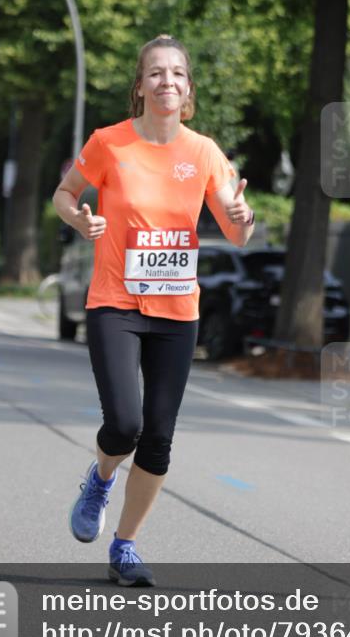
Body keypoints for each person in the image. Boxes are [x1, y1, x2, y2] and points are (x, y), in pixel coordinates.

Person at [52, 34, 255, 586]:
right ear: (139, 86)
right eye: (157, 73)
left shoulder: (204, 151)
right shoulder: (109, 143)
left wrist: (242, 212)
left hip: (176, 311)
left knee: (159, 439)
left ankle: (125, 546)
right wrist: (80, 220)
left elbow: (237, 234)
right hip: (115, 303)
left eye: (178, 74)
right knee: (124, 424)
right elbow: (64, 194)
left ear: (188, 89)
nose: (168, 82)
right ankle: (99, 479)